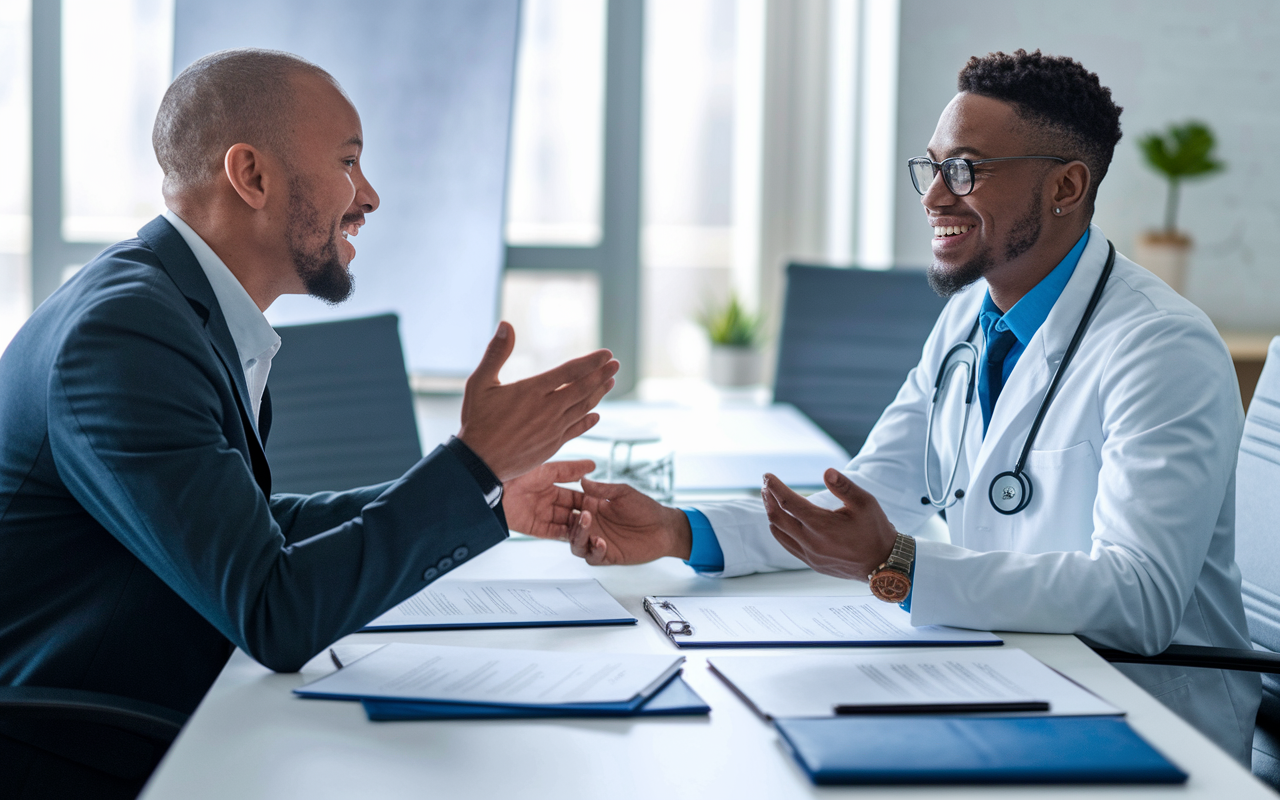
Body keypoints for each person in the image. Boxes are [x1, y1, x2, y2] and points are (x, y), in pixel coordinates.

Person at [543, 50, 1261, 764]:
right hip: (1009, 676)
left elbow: (1139, 600)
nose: (934, 198)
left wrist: (902, 565)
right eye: (933, 166)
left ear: (1065, 186)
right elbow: (873, 493)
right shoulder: (967, 320)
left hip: (1146, 719)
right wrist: (680, 532)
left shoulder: (1161, 347)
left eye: (966, 169)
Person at [0, 48, 609, 775]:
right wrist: (468, 465)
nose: (370, 195)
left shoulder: (173, 307)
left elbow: (249, 535)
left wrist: (486, 494)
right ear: (252, 176)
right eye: (348, 162)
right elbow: (274, 611)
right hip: (77, 752)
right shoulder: (126, 337)